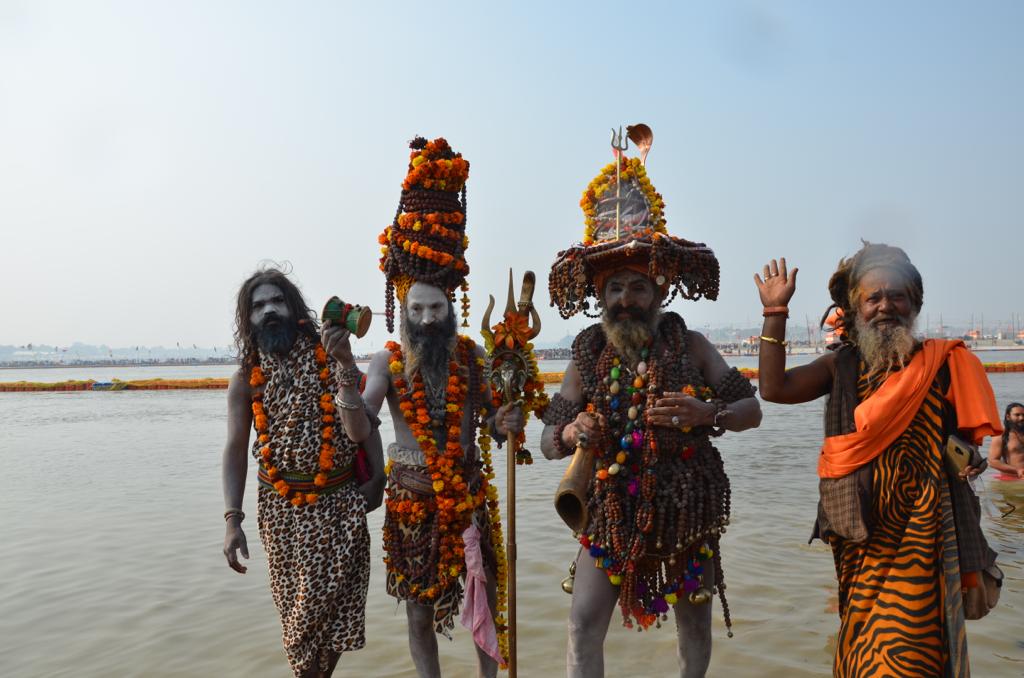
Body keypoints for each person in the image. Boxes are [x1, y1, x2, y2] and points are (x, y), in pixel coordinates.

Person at [540, 127, 762, 678]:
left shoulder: (691, 345)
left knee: (695, 626)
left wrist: (707, 414)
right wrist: (572, 433)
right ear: (601, 295)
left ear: (659, 291)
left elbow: (751, 410)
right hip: (610, 507)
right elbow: (546, 441)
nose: (625, 299)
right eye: (614, 288)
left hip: (688, 505)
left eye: (637, 287)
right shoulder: (586, 353)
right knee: (582, 624)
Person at [753, 244, 1003, 677]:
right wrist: (775, 311)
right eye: (873, 298)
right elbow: (774, 389)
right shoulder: (839, 366)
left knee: (908, 652)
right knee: (860, 646)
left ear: (915, 303)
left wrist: (973, 461)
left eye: (897, 295)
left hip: (924, 539)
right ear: (854, 308)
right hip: (860, 536)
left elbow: (963, 444)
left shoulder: (944, 365)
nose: (886, 305)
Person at [361, 136, 524, 678]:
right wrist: (342, 383)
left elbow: (496, 424)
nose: (429, 318)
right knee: (417, 610)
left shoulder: (472, 357)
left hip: (468, 498)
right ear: (404, 310)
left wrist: (505, 422)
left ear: (451, 308)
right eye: (419, 309)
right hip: (411, 504)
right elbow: (361, 422)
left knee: (485, 596)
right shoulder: (385, 365)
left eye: (438, 308)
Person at [221, 267, 385, 677]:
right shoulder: (245, 379)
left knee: (328, 628)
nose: (269, 310)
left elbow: (362, 429)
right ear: (249, 318)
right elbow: (235, 449)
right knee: (298, 629)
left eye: (277, 301)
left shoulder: (329, 359)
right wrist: (231, 519)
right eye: (259, 306)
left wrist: (378, 478)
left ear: (294, 308)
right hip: (278, 515)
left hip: (337, 510)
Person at [987, 402, 1024, 479]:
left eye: (1023, 415)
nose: (1021, 418)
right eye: (1017, 415)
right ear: (1008, 417)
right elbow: (993, 462)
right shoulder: (1000, 435)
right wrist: (1018, 470)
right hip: (1011, 480)